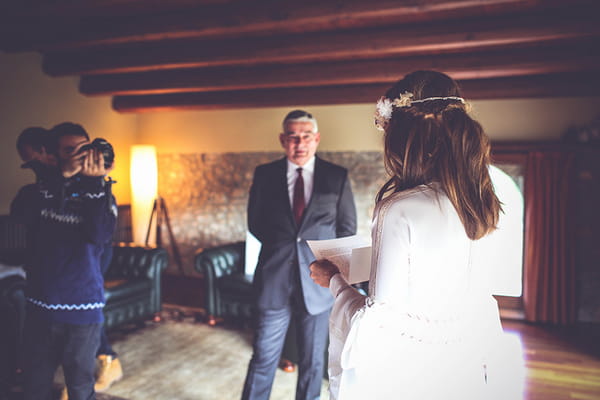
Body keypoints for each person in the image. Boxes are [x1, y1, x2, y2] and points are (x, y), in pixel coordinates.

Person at [310, 71, 523, 400]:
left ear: (402, 139)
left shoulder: (399, 208)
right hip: (462, 368)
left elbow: (380, 324)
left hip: (411, 374)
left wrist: (335, 280)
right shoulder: (480, 201)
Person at [241, 110, 357, 400]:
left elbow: (346, 228)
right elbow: (255, 223)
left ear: (316, 139)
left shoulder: (337, 176)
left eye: (306, 136)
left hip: (318, 286)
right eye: (293, 137)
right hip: (273, 280)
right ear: (283, 140)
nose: (299, 143)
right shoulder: (265, 175)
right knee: (263, 359)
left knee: (313, 362)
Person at [11, 122, 117, 400]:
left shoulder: (101, 193)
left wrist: (95, 184)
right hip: (39, 307)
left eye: (84, 149)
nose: (79, 156)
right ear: (53, 156)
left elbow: (99, 236)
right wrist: (62, 177)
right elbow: (21, 215)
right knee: (34, 385)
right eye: (70, 151)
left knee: (80, 387)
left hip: (83, 308)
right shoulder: (37, 192)